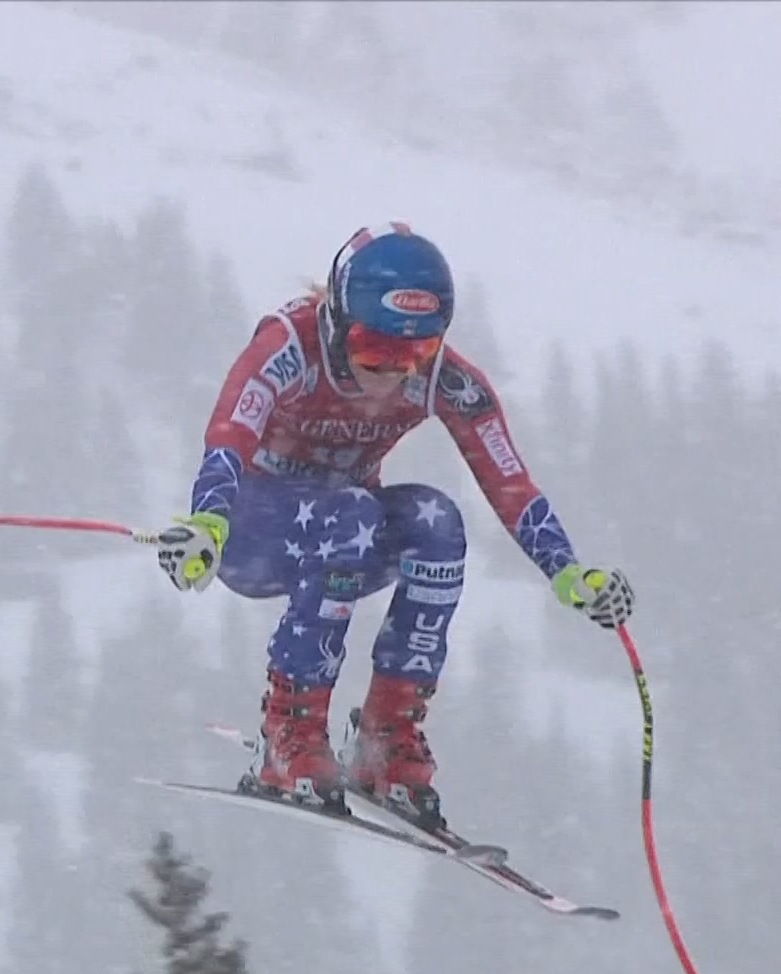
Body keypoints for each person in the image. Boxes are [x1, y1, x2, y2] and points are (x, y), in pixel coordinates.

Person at [152, 222, 634, 828]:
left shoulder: (442, 379)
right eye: (376, 350)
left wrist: (570, 572)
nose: (395, 371)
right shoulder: (290, 344)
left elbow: (509, 480)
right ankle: (289, 732)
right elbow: (229, 432)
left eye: (419, 352)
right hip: (254, 534)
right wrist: (208, 522)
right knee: (352, 511)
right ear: (336, 319)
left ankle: (386, 738)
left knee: (438, 522)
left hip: (341, 542)